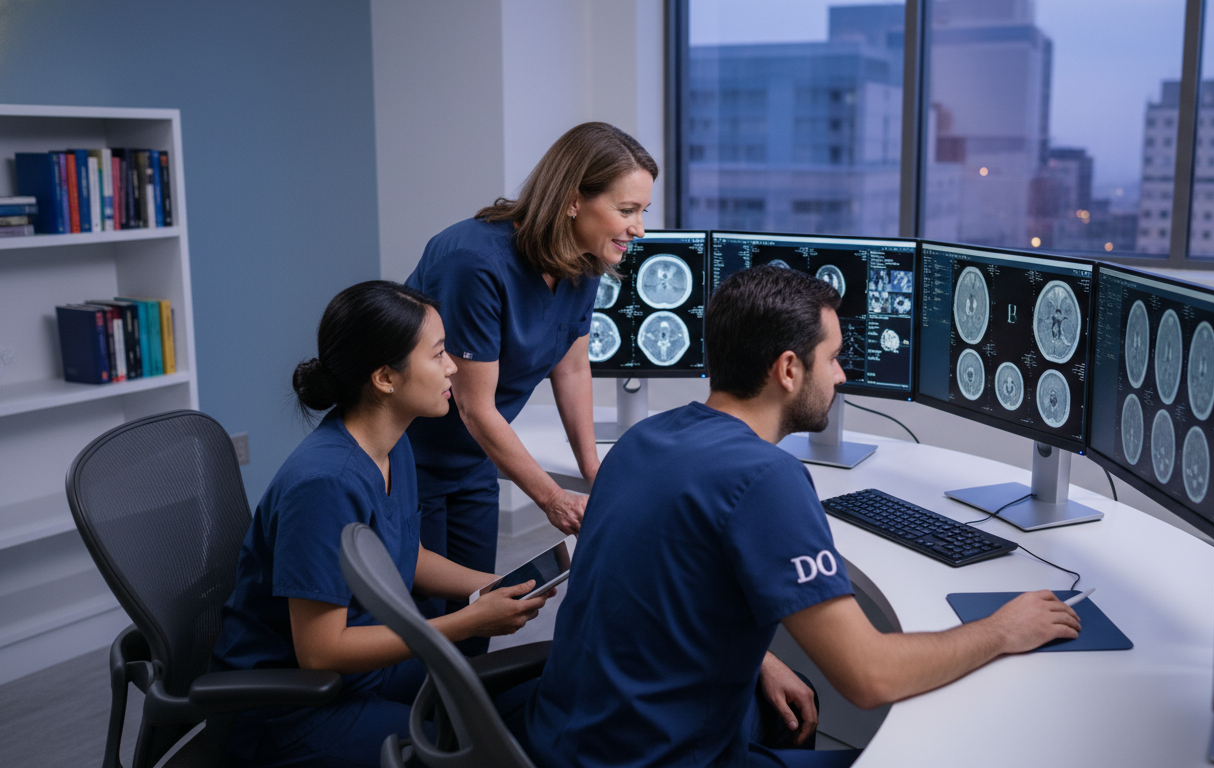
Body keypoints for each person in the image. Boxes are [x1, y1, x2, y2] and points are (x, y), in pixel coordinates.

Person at [496, 266, 1082, 767]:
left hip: (561, 739)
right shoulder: (764, 479)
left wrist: (760, 659)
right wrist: (1001, 630)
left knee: (782, 712)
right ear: (788, 370)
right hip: (655, 758)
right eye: (833, 359)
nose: (842, 376)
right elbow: (868, 677)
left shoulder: (648, 440)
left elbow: (653, 597)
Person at [213, 281, 554, 768]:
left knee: (521, 704)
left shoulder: (394, 446)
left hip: (366, 674)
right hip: (296, 707)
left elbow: (403, 555)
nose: (453, 366)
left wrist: (498, 586)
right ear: (385, 378)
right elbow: (321, 652)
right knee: (474, 753)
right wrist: (467, 622)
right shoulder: (326, 484)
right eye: (438, 354)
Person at [405, 122, 657, 647]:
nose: (639, 228)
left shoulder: (582, 261)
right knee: (425, 621)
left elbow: (572, 368)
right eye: (627, 210)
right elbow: (474, 408)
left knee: (479, 612)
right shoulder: (473, 262)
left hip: (473, 461)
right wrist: (552, 498)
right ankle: (410, 728)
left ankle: (462, 726)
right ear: (572, 201)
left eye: (643, 212)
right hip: (410, 460)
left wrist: (594, 472)